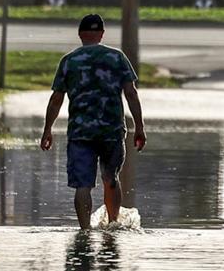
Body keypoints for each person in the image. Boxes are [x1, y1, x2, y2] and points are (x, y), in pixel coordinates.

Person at [40, 14, 147, 229]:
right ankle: (113, 225)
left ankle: (85, 231)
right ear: (102, 34)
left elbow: (56, 99)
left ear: (80, 34)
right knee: (111, 178)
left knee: (83, 185)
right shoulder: (117, 58)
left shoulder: (69, 61)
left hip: (80, 133)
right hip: (111, 131)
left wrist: (47, 129)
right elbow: (131, 93)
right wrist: (139, 127)